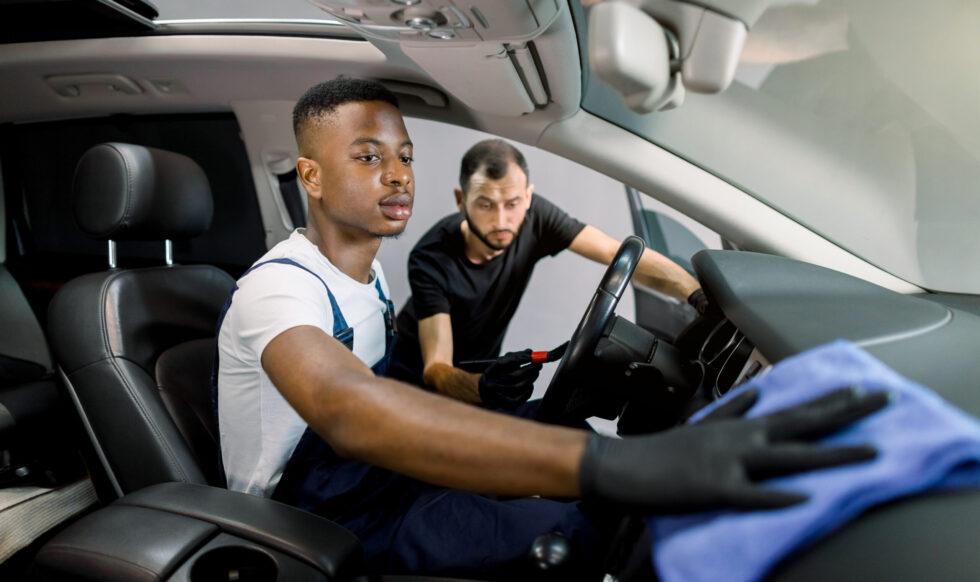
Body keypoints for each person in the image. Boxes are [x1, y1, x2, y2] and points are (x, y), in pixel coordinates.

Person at [215, 77, 887, 579]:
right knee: (570, 525)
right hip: (328, 518)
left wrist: (694, 290)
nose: (397, 174)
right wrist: (624, 465)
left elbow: (393, 384)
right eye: (368, 157)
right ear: (311, 175)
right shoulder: (279, 288)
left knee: (568, 442)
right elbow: (347, 409)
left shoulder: (368, 276)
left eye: (406, 155)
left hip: (383, 475)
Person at [389, 138, 707, 410]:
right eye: (486, 205)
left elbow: (616, 253)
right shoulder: (431, 258)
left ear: (528, 197)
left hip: (482, 384)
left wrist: (695, 293)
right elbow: (436, 368)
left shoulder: (536, 217)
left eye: (513, 203)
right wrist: (483, 388)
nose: (502, 220)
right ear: (462, 200)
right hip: (414, 390)